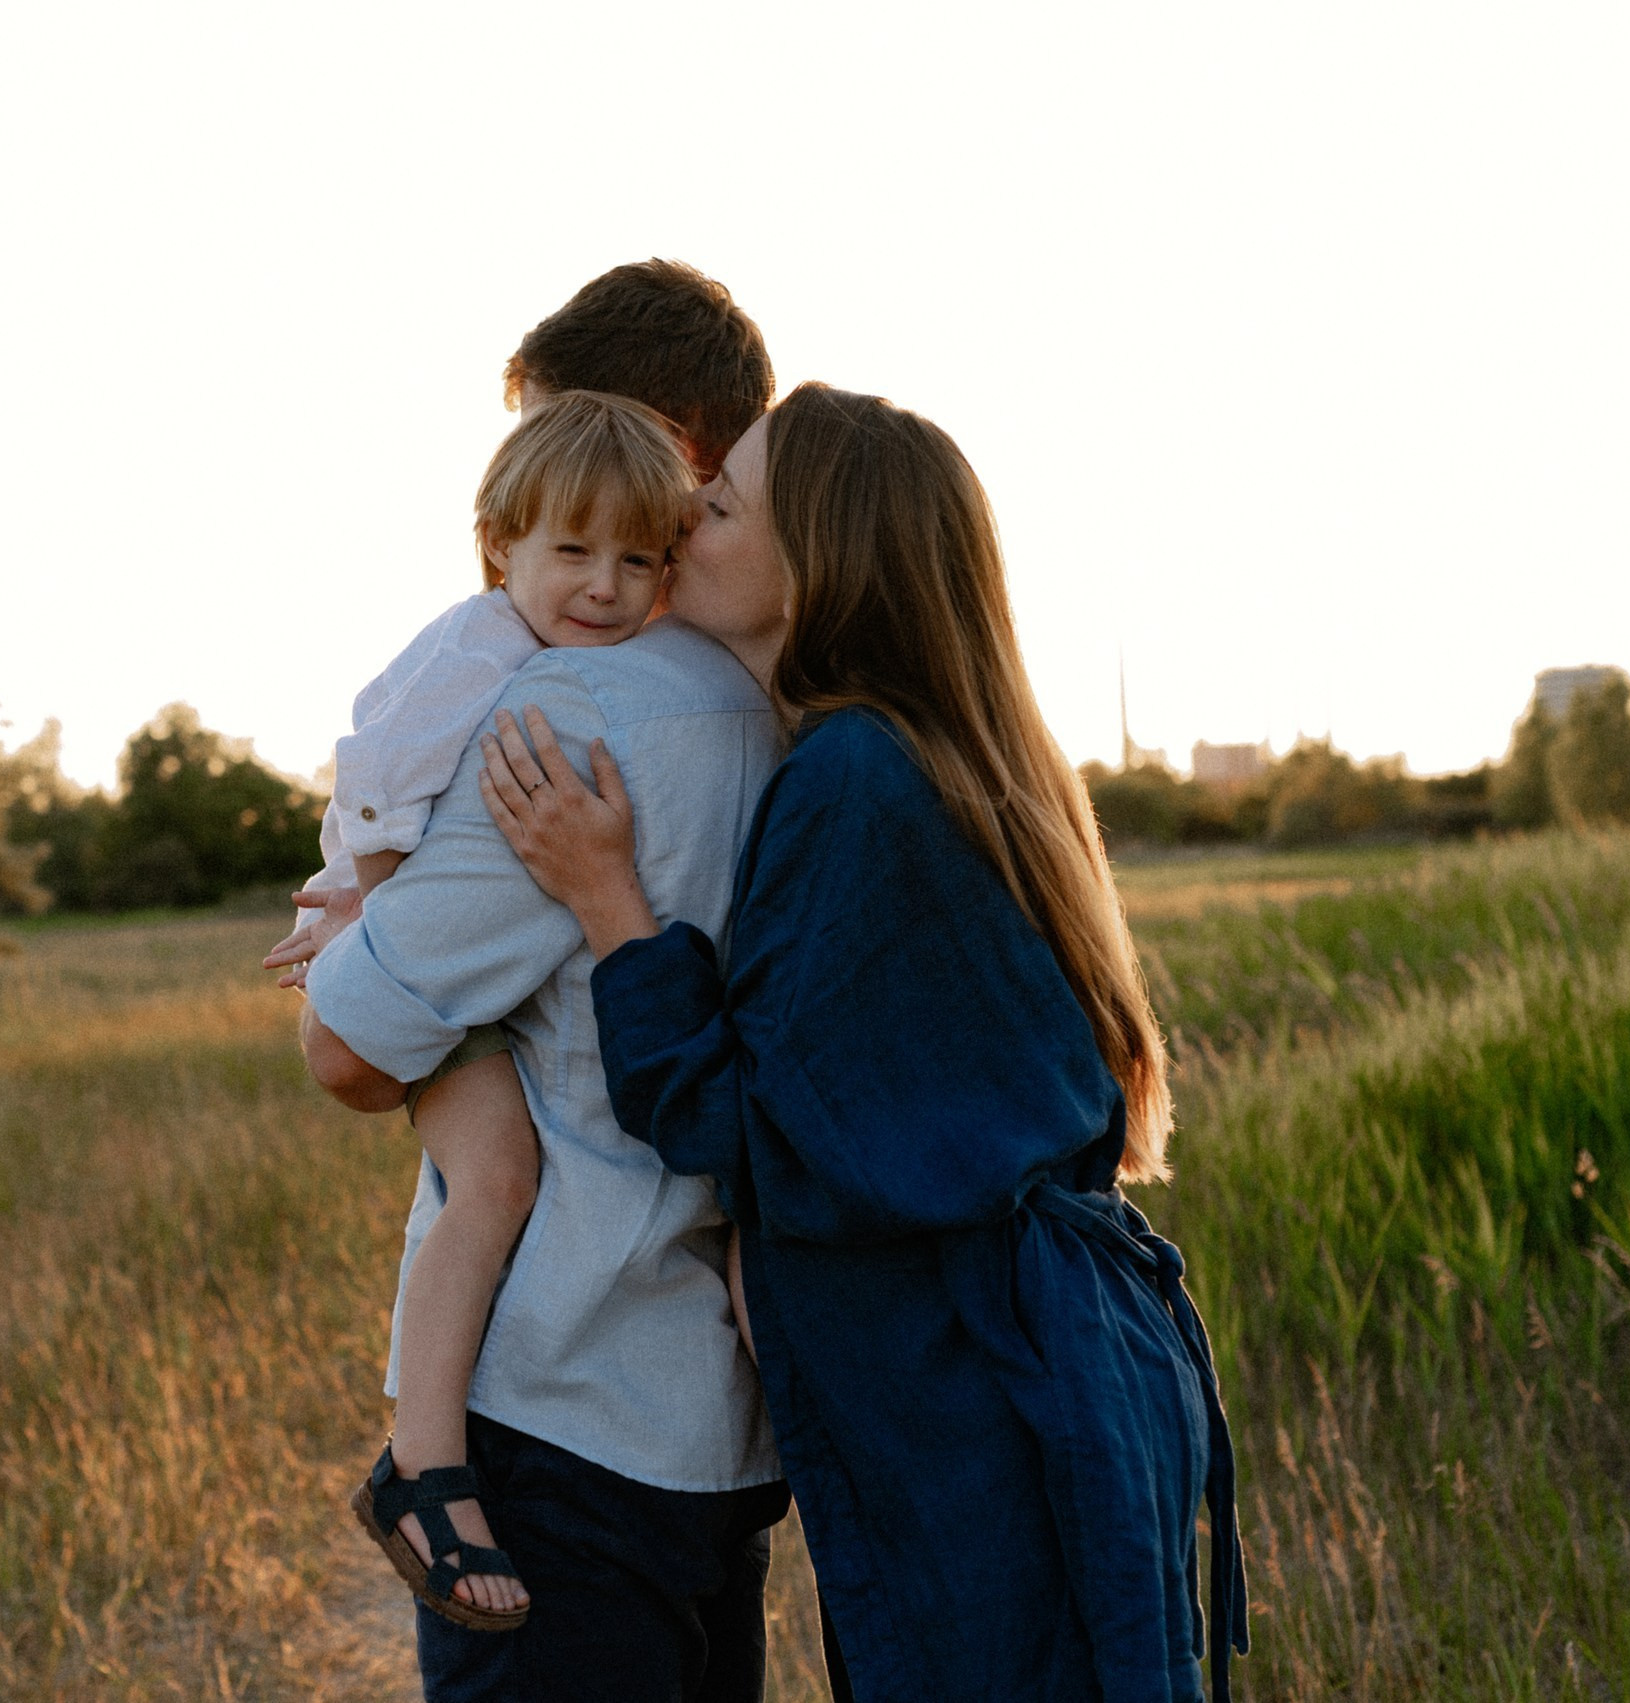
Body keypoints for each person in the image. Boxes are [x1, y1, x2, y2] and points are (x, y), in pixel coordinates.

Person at [476, 383, 1249, 1703]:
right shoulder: (928, 754)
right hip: (1032, 1366)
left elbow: (753, 1131)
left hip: (974, 1398)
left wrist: (611, 907)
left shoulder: (854, 778)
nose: (681, 522)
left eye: (718, 506)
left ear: (816, 560)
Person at [297, 260, 793, 1702]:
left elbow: (352, 1047)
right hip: (720, 1417)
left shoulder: (572, 708)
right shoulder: (800, 707)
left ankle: (421, 1460)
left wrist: (337, 927)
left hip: (566, 1416)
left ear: (666, 453)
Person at [264, 388, 698, 1628]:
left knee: (501, 1173)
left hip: (449, 972)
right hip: (414, 954)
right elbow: (377, 784)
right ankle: (426, 1464)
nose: (607, 585)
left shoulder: (564, 659)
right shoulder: (482, 654)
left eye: (638, 559)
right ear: (500, 542)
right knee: (497, 1175)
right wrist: (367, 925)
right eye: (573, 550)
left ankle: (427, 1454)